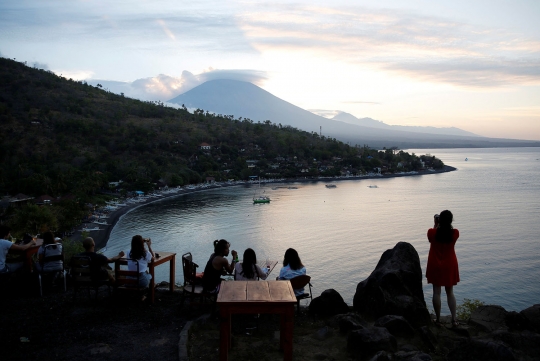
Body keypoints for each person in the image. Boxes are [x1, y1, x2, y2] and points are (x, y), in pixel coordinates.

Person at [426, 210, 460, 327]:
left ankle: (438, 319)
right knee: (450, 292)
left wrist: (436, 225)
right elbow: (447, 233)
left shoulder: (432, 232)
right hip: (449, 264)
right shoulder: (455, 233)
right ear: (451, 220)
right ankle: (454, 320)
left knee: (436, 292)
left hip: (435, 264)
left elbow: (432, 237)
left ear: (439, 220)